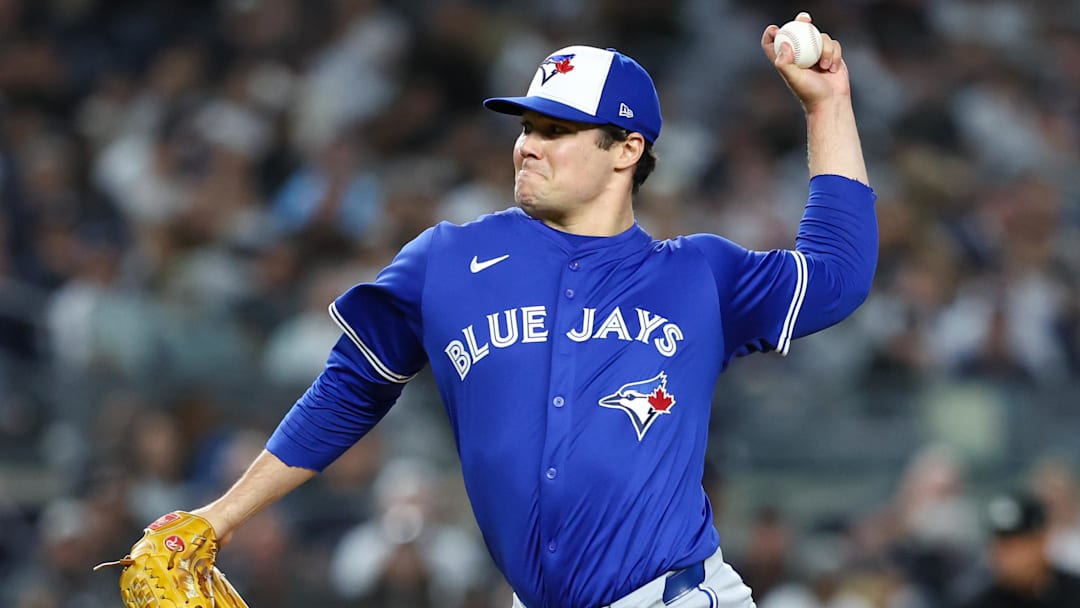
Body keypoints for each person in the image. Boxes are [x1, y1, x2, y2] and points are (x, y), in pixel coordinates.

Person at [180, 11, 877, 608]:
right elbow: (347, 391)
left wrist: (827, 105)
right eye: (527, 124)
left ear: (627, 149)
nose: (527, 144)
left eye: (556, 129)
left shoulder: (698, 275)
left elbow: (837, 276)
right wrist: (221, 518)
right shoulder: (447, 260)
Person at [952, 491, 1080, 608]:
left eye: (1016, 545)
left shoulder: (1074, 592)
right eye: (1000, 545)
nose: (1005, 556)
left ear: (1042, 541)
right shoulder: (975, 602)